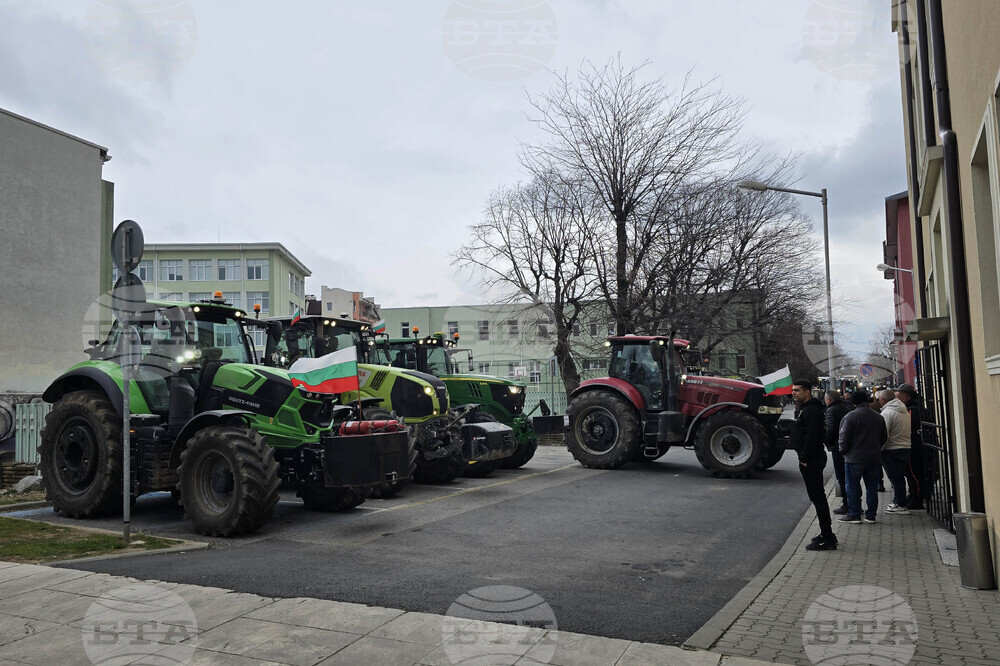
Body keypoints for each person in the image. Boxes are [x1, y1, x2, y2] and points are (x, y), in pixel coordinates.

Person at [791, 380, 836, 551]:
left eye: (797, 390)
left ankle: (827, 537)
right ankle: (828, 534)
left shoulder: (811, 411)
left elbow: (812, 436)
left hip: (811, 459)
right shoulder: (808, 408)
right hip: (811, 458)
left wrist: (804, 457)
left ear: (807, 392)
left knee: (818, 498)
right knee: (817, 498)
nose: (794, 393)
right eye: (793, 390)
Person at [838, 389, 887, 524]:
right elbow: (884, 438)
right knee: (872, 487)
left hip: (854, 458)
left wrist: (844, 452)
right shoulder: (878, 416)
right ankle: (871, 515)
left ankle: (854, 514)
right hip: (873, 457)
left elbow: (843, 438)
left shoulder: (850, 417)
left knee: (852, 486)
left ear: (854, 402)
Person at [879, 388, 912, 514]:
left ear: (883, 400)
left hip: (891, 450)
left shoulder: (887, 413)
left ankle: (900, 504)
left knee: (895, 478)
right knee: (899, 478)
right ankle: (898, 501)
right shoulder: (903, 410)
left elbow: (884, 435)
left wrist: (880, 450)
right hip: (905, 447)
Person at [895, 383, 926, 510]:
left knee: (913, 473)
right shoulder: (916, 407)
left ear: (904, 398)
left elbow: (909, 429)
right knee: (914, 472)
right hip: (916, 445)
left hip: (914, 447)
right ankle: (914, 495)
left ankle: (917, 497)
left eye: (897, 398)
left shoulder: (911, 410)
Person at [824, 389, 852, 515]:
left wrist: (825, 440)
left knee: (842, 477)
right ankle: (852, 503)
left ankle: (847, 505)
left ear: (828, 400)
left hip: (837, 447)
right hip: (847, 446)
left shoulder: (830, 410)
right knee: (848, 477)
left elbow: (830, 429)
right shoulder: (846, 408)